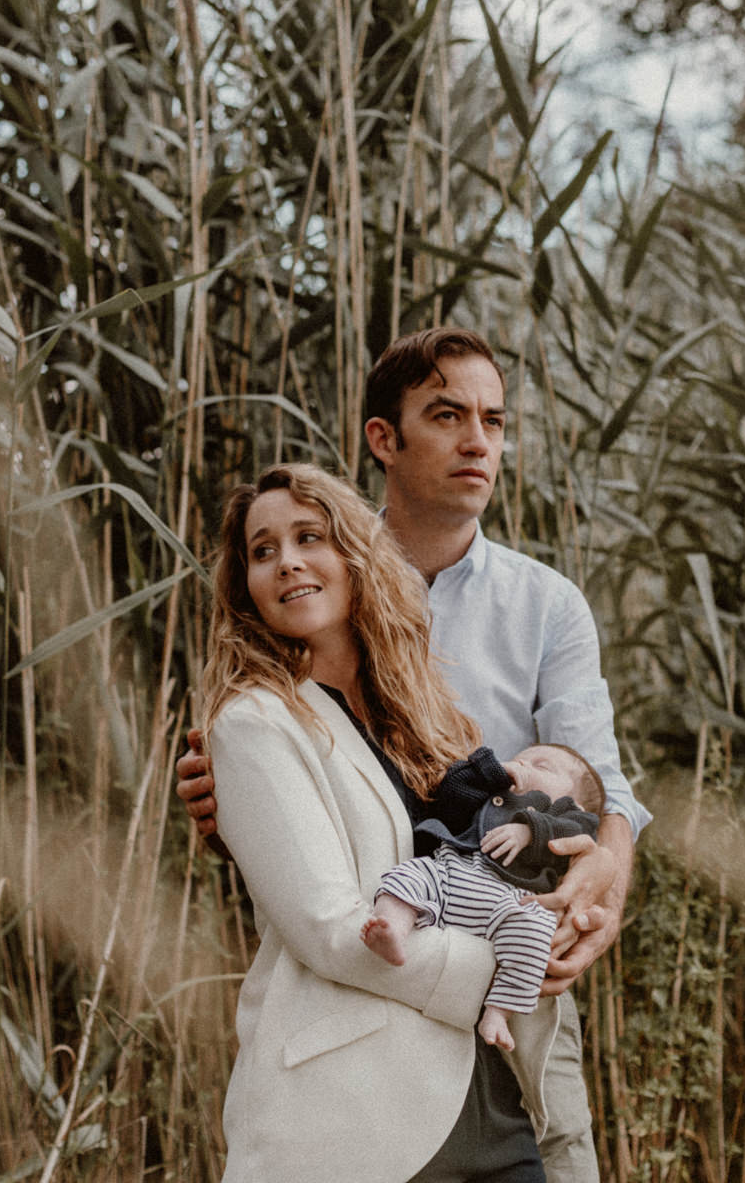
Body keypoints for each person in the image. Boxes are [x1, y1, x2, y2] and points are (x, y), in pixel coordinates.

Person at [180, 327, 652, 1183]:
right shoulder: (316, 581)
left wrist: (601, 885)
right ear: (383, 439)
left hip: (518, 985)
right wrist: (233, 813)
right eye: (447, 416)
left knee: (564, 1157)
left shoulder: (544, 605)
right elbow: (313, 875)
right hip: (383, 1016)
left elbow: (600, 784)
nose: (478, 441)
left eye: (494, 421)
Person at [203, 462, 559, 1182]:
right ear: (246, 587)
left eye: (310, 537)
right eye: (263, 551)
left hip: (488, 1096)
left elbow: (484, 862)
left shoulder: (422, 712)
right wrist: (506, 970)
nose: (288, 561)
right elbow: (334, 929)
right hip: (361, 1111)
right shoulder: (253, 724)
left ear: (355, 553)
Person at [363, 744, 604, 1053]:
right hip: (451, 873)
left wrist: (530, 831)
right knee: (410, 875)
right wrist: (490, 771)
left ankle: (499, 1012)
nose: (522, 765)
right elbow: (451, 793)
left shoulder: (571, 817)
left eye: (542, 767)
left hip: (511, 902)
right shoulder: (490, 795)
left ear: (577, 804)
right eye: (519, 759)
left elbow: (574, 833)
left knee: (536, 931)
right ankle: (392, 929)